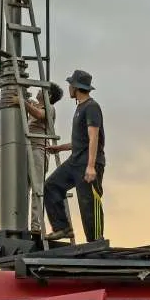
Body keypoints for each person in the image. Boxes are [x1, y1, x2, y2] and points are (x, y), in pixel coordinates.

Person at [43, 70, 105, 242]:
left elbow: (94, 137)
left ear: (76, 87)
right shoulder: (80, 107)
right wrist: (60, 148)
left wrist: (91, 166)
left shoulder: (92, 107)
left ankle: (96, 241)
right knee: (51, 185)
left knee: (88, 203)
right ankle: (62, 228)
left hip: (88, 163)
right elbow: (81, 140)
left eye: (70, 84)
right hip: (75, 161)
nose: (69, 87)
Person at [8, 83, 63, 233]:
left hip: (39, 151)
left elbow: (40, 115)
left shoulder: (50, 109)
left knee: (37, 188)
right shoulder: (36, 106)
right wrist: (27, 104)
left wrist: (23, 102)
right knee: (24, 188)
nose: (38, 90)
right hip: (28, 149)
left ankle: (36, 226)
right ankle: (21, 224)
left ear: (49, 96)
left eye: (42, 89)